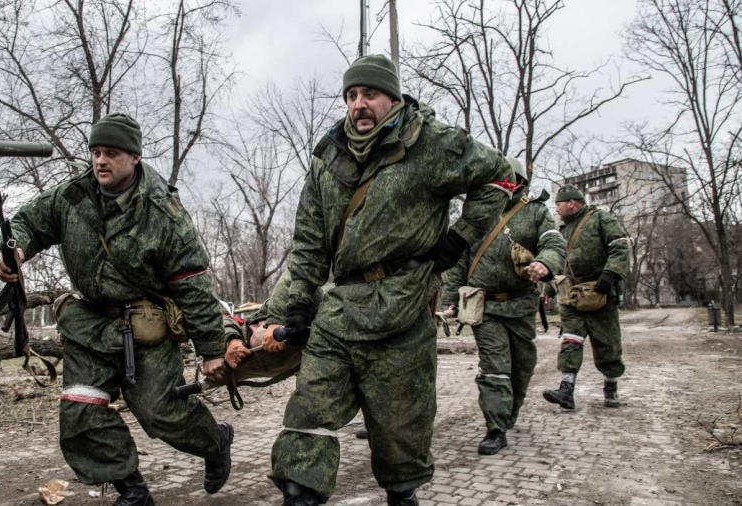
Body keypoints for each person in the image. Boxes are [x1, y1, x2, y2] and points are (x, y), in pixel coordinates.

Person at [269, 54, 514, 506]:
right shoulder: (327, 159)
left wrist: (459, 239)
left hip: (402, 304)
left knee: (400, 429)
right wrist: (300, 302)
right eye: (352, 95)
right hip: (339, 309)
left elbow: (501, 177)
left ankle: (402, 495)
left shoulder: (432, 143)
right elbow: (308, 240)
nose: (359, 104)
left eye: (370, 94)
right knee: (308, 416)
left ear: (393, 98)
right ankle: (300, 493)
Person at [0, 113, 232, 506]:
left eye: (112, 153)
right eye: (96, 152)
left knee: (159, 411)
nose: (100, 161)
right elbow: (30, 223)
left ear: (134, 157)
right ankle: (132, 490)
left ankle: (214, 442)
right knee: (82, 408)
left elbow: (193, 282)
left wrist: (211, 350)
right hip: (90, 322)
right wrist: (12, 249)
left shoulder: (163, 212)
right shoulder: (72, 195)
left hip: (146, 323)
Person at [440, 157, 565, 455]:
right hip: (486, 308)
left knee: (522, 366)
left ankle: (510, 412)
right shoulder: (478, 213)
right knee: (495, 368)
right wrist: (452, 299)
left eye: (503, 179)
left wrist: (544, 264)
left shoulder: (535, 212)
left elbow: (553, 243)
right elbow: (460, 259)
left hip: (521, 305)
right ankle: (495, 428)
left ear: (519, 182)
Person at [541, 184, 629, 410]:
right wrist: (549, 290)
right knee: (571, 339)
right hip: (570, 294)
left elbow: (619, 246)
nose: (556, 209)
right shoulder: (562, 230)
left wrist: (610, 274)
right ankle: (566, 390)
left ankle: (611, 388)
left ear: (572, 203)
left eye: (559, 204)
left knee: (607, 344)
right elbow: (559, 261)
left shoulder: (601, 218)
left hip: (599, 292)